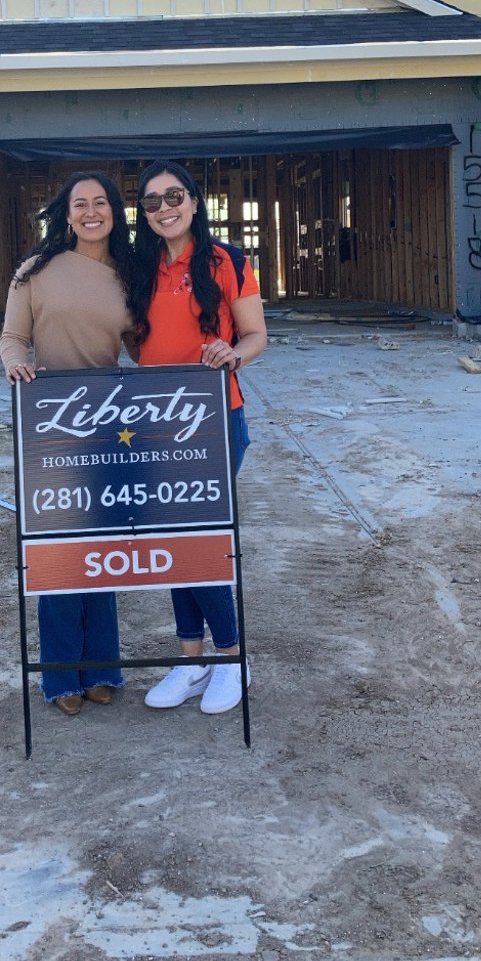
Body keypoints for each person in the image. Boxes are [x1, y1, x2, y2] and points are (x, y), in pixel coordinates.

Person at [130, 159, 267, 714]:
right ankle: (191, 661)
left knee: (198, 540)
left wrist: (233, 353)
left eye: (174, 196)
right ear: (143, 212)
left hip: (213, 421)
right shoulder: (136, 268)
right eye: (152, 201)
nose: (165, 208)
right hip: (153, 422)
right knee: (173, 539)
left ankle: (232, 658)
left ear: (193, 200)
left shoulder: (227, 261)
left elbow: (256, 335)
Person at [0, 172, 134, 716]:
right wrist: (16, 365)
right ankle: (60, 677)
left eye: (101, 203)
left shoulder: (130, 274)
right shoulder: (35, 271)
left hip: (109, 422)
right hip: (50, 419)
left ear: (114, 212)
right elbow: (13, 339)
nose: (91, 212)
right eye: (81, 204)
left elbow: (143, 346)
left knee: (100, 551)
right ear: (67, 213)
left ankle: (101, 668)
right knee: (58, 552)